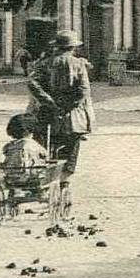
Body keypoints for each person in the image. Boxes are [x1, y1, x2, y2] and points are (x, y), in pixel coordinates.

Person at [27, 30, 95, 179]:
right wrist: (67, 105)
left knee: (42, 145)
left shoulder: (43, 64)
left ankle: (43, 177)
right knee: (71, 146)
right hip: (71, 117)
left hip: (45, 114)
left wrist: (49, 102)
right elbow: (84, 91)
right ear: (72, 48)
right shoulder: (78, 64)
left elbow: (32, 83)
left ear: (56, 47)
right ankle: (64, 179)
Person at [0, 113, 48, 186]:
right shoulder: (34, 145)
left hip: (10, 177)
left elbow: (3, 157)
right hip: (31, 176)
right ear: (32, 130)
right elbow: (45, 154)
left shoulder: (8, 146)